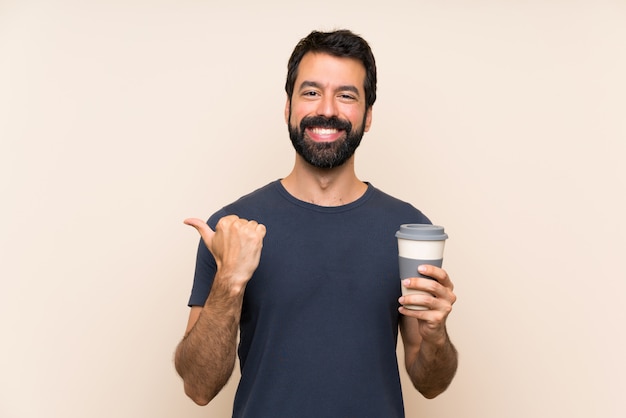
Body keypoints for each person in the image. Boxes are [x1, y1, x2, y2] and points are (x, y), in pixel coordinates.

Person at [174, 29, 458, 417]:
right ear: (288, 107)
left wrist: (436, 334)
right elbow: (198, 387)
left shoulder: (409, 230)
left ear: (368, 115)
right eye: (310, 92)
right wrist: (229, 281)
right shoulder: (230, 229)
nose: (327, 109)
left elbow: (431, 384)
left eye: (346, 95)